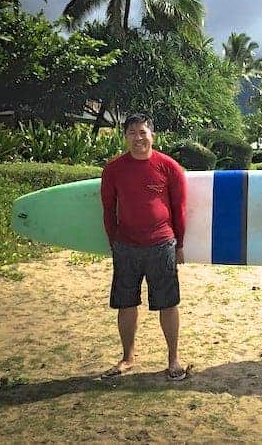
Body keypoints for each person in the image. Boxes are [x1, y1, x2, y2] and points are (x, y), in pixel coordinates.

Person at [100, 113, 189, 381]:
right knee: (125, 304)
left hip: (161, 244)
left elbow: (179, 208)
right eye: (132, 133)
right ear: (125, 137)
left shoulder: (169, 167)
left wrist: (180, 244)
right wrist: (114, 241)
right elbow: (108, 209)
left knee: (168, 303)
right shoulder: (113, 169)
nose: (138, 138)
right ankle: (127, 357)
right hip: (126, 246)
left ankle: (173, 358)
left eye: (142, 132)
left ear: (152, 135)